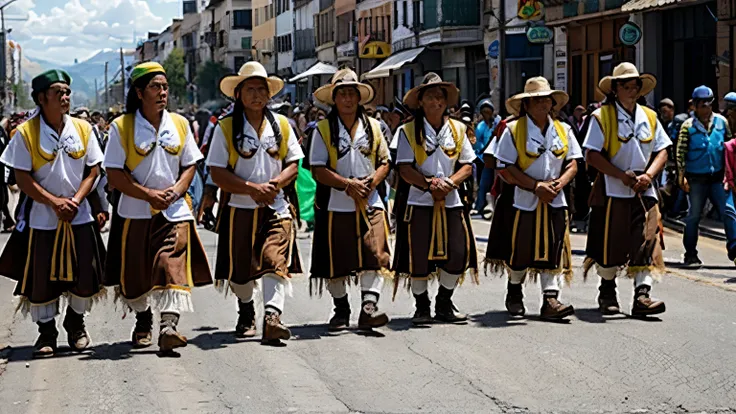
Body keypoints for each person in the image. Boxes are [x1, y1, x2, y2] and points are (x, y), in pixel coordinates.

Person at [103, 62, 213, 354]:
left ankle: (168, 326)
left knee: (170, 264)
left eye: (165, 87)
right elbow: (114, 173)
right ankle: (143, 319)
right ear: (139, 92)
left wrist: (177, 190)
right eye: (156, 86)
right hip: (135, 213)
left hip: (173, 211)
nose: (163, 92)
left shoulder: (179, 123)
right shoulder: (121, 126)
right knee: (137, 275)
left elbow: (190, 163)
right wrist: (147, 194)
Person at [0, 69, 106, 357]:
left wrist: (75, 200)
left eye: (67, 92)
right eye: (59, 92)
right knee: (42, 277)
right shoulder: (25, 133)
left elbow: (93, 169)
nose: (65, 97)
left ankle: (76, 324)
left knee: (85, 274)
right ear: (41, 98)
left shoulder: (84, 129)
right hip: (42, 219)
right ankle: (46, 334)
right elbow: (22, 177)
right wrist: (54, 202)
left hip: (78, 216)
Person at [206, 62, 303, 345]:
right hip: (239, 209)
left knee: (275, 261)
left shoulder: (282, 124)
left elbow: (294, 164)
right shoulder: (225, 127)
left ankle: (272, 317)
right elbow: (217, 171)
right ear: (238, 94)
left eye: (262, 89)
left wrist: (276, 184)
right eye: (250, 89)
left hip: (276, 207)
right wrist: (251, 188)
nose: (257, 95)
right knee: (240, 274)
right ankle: (246, 308)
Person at [486, 77, 580, 319]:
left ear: (552, 103)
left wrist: (559, 183)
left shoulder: (564, 129)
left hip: (555, 199)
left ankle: (551, 299)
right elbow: (504, 167)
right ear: (526, 105)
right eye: (536, 100)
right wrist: (535, 186)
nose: (542, 104)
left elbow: (572, 163)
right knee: (520, 248)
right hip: (522, 198)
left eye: (546, 99)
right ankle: (514, 290)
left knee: (555, 246)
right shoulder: (513, 130)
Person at [307, 68, 392, 331]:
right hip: (335, 204)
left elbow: (385, 161)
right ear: (334, 99)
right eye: (342, 93)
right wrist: (347, 185)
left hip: (371, 202)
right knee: (337, 261)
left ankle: (369, 308)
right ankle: (341, 309)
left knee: (375, 252)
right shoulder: (322, 129)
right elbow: (317, 168)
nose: (347, 99)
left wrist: (372, 183)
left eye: (351, 93)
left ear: (359, 97)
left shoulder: (375, 127)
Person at [583, 62, 668, 317]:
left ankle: (642, 295)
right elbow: (592, 155)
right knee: (611, 242)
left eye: (635, 87)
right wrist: (621, 175)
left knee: (648, 239)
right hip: (612, 190)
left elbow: (662, 149)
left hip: (645, 190)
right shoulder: (601, 116)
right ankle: (607, 290)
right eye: (627, 87)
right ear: (615, 90)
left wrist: (649, 175)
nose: (632, 91)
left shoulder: (650, 116)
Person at [392, 73, 479, 325]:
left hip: (451, 201)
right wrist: (429, 185)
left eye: (440, 96)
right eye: (430, 96)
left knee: (457, 251)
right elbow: (405, 168)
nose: (436, 101)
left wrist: (449, 184)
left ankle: (444, 301)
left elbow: (467, 165)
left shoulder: (459, 129)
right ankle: (421, 305)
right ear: (420, 101)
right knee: (418, 255)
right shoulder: (407, 131)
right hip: (419, 202)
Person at [676, 85, 735, 267]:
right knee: (694, 215)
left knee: (728, 212)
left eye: (708, 104)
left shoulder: (721, 122)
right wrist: (681, 176)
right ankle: (690, 254)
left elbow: (729, 146)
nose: (705, 108)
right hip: (696, 179)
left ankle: (734, 249)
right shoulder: (687, 127)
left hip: (718, 177)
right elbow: (680, 153)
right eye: (701, 105)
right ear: (694, 106)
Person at [473, 99, 499, 216]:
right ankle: (480, 205)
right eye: (484, 112)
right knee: (483, 183)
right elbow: (478, 143)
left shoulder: (498, 123)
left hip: (498, 158)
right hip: (484, 159)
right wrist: (484, 151)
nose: (486, 114)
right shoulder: (480, 126)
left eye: (488, 112)